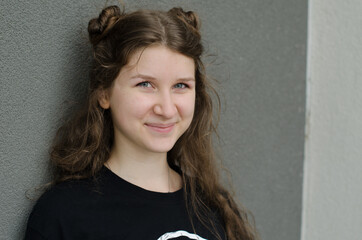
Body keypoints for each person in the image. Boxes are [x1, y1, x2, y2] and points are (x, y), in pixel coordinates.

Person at [24, 5, 257, 240]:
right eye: (145, 84)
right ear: (104, 93)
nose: (166, 109)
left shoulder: (214, 209)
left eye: (181, 86)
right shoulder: (64, 214)